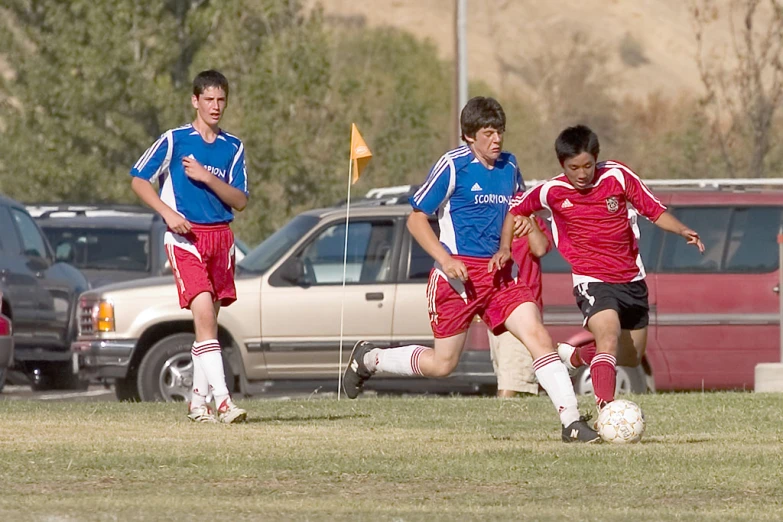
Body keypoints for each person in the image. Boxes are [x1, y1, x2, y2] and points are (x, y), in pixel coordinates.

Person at [343, 97, 599, 443]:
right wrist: (446, 259)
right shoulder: (453, 165)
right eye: (489, 133)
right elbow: (416, 220)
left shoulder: (510, 166)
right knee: (442, 365)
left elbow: (515, 210)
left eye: (500, 132)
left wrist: (511, 240)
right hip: (456, 279)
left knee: (537, 335)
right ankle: (371, 358)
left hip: (499, 275)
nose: (497, 140)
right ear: (469, 136)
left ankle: (571, 423)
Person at [508, 124, 705, 412]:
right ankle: (607, 411)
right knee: (608, 334)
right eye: (574, 167)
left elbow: (653, 209)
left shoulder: (617, 176)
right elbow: (515, 208)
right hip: (592, 279)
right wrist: (514, 232)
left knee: (632, 355)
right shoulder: (552, 191)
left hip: (631, 278)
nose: (582, 173)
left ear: (596, 158)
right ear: (563, 164)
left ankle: (574, 358)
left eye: (588, 165)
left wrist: (683, 230)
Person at [130, 70, 249, 424]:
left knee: (208, 324)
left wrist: (207, 177)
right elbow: (139, 179)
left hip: (221, 239)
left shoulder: (233, 147)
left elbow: (240, 200)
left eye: (221, 100)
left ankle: (197, 404)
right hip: (186, 239)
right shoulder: (174, 140)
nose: (215, 106)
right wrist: (168, 213)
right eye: (208, 99)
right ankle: (224, 402)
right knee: (204, 318)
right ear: (195, 101)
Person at [488, 215, 551, 398]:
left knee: (513, 382)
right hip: (495, 307)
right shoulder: (490, 214)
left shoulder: (529, 217)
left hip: (521, 307)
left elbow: (540, 249)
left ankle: (498, 423)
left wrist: (529, 220)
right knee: (511, 375)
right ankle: (518, 422)